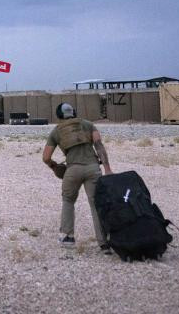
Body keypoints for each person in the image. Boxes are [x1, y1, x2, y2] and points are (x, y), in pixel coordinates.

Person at [42, 102, 113, 252]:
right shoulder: (88, 125)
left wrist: (54, 166)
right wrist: (107, 169)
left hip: (72, 170)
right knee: (96, 203)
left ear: (59, 115)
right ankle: (104, 242)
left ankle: (68, 237)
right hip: (93, 168)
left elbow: (46, 157)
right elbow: (99, 146)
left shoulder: (56, 131)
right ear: (73, 112)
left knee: (68, 201)